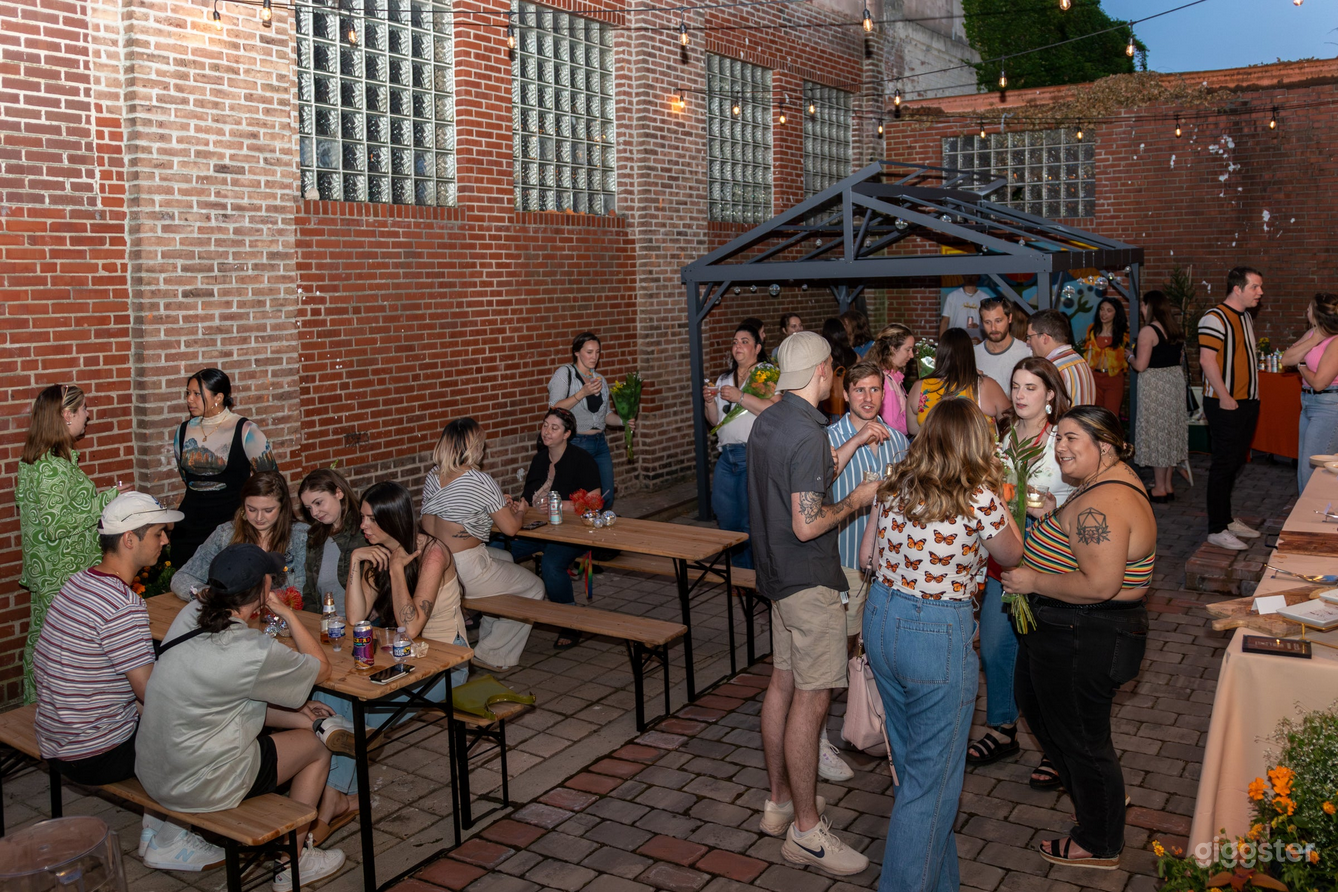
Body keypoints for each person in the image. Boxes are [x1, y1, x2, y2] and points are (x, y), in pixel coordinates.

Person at [857, 399, 1024, 892]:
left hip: (881, 622)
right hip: (935, 634)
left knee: (915, 774)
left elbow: (867, 554)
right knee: (930, 789)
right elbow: (1012, 554)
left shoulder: (895, 482)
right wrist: (1002, 498)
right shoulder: (978, 496)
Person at [33, 492, 226, 872]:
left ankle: (156, 832)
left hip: (54, 736)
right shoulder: (124, 605)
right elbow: (152, 693)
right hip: (92, 752)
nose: (166, 541)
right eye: (158, 534)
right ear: (129, 540)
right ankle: (170, 841)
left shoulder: (78, 584)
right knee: (202, 730)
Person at [139, 543, 347, 890]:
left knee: (300, 724)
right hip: (202, 783)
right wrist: (287, 613)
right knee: (319, 746)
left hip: (153, 767)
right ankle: (292, 864)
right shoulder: (252, 649)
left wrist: (298, 713)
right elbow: (321, 670)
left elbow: (226, 698)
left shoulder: (190, 613)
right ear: (263, 589)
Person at [1001, 406, 1156, 871]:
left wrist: (1032, 582)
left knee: (1081, 738)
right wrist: (1056, 514)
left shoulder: (1101, 502)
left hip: (1085, 632)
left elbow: (1100, 584)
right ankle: (1100, 800)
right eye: (1059, 439)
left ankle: (1100, 840)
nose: (1061, 447)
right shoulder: (1102, 485)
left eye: (1073, 440)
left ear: (1104, 445)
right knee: (1043, 714)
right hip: (1071, 630)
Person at [747, 331, 879, 877]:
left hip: (775, 578)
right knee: (813, 699)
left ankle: (779, 802)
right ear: (823, 372)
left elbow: (803, 476)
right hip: (808, 581)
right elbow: (807, 521)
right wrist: (858, 499)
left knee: (781, 683)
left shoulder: (771, 420)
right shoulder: (805, 431)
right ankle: (806, 832)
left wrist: (849, 448)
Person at [967, 358, 1073, 789]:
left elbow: (1091, 494)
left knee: (1044, 656)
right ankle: (1004, 727)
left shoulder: (1064, 441)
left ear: (1051, 394)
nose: (1022, 395)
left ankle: (1055, 746)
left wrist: (1055, 508)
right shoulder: (1003, 440)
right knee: (994, 647)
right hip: (1005, 555)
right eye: (1016, 386)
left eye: (1032, 387)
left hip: (1051, 552)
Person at [823, 359, 908, 783]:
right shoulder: (830, 438)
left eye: (876, 390)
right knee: (834, 653)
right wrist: (856, 441)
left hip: (886, 565)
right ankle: (818, 737)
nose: (869, 398)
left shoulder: (899, 441)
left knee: (874, 652)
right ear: (846, 393)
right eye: (860, 391)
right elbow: (819, 483)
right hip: (843, 561)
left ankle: (872, 721)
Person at [16, 383, 128, 703]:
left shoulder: (38, 459)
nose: (88, 415)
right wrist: (108, 500)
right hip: (61, 576)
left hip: (50, 574)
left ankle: (39, 709)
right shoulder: (51, 466)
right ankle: (61, 713)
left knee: (43, 644)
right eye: (83, 410)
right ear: (67, 415)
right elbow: (56, 524)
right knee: (63, 655)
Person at [420, 418, 545, 672]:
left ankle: (490, 637)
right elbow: (511, 528)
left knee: (506, 559)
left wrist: (491, 508)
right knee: (535, 587)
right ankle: (492, 653)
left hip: (433, 560)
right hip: (464, 567)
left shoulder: (433, 475)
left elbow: (450, 514)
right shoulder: (479, 481)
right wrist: (520, 511)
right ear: (473, 446)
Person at [509, 408, 602, 647]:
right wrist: (513, 506)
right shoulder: (540, 459)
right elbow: (527, 498)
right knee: (498, 548)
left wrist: (564, 505)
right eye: (545, 425)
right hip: (538, 528)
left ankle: (569, 623)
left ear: (567, 434)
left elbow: (595, 503)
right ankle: (495, 608)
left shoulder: (582, 459)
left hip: (571, 531)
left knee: (551, 564)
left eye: (555, 428)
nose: (547, 432)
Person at [172, 368, 278, 568]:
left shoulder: (246, 430)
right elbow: (186, 477)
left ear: (218, 397)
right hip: (190, 524)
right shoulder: (183, 430)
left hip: (231, 523)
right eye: (188, 393)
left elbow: (271, 480)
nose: (189, 400)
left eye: (196, 394)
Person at [702, 323, 779, 570]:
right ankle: (739, 573)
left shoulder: (766, 373)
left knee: (751, 521)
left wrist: (740, 397)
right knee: (727, 518)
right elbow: (715, 422)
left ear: (757, 347)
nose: (738, 346)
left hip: (754, 455)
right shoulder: (724, 378)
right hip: (727, 456)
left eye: (744, 341)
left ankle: (756, 575)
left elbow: (773, 409)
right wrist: (709, 403)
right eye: (735, 342)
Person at [1198, 266, 1263, 550]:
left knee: (1236, 461)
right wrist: (1224, 395)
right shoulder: (1214, 318)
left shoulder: (1246, 316)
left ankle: (1225, 519)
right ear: (1237, 288)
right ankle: (1216, 529)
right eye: (1255, 287)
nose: (1260, 292)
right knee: (1224, 464)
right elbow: (1206, 360)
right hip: (1225, 402)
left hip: (1247, 401)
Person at [170, 470, 308, 599]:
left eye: (268, 510)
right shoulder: (225, 534)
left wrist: (255, 600)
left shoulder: (301, 536)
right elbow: (182, 577)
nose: (259, 517)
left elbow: (304, 593)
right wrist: (210, 595)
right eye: (251, 509)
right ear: (243, 505)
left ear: (283, 507)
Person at [546, 332, 634, 510]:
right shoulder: (565, 373)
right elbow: (555, 407)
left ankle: (597, 527)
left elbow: (606, 414)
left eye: (598, 352)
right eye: (589, 352)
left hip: (599, 443)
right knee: (579, 497)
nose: (594, 357)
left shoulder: (600, 379)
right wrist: (582, 394)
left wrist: (623, 421)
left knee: (606, 495)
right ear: (577, 352)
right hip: (577, 443)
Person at [1130, 291, 1188, 502]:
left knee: (1156, 434)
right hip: (1173, 383)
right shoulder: (1174, 330)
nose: (1142, 310)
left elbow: (1141, 365)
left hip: (1155, 386)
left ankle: (1160, 489)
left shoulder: (1148, 331)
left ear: (1150, 306)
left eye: (1143, 306)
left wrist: (1129, 357)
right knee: (1170, 434)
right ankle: (1167, 485)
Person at [1281, 292, 1338, 492]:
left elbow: (1320, 382)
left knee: (1314, 471)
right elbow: (1286, 359)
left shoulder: (1337, 342)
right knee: (1305, 466)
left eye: (1309, 308)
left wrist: (1302, 365)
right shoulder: (1314, 334)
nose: (1306, 311)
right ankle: (1306, 517)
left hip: (1329, 406)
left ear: (1318, 314)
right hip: (1308, 404)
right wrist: (1313, 341)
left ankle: (1311, 518)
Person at [906, 327, 1009, 435]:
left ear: (940, 354)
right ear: (969, 354)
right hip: (978, 452)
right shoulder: (986, 385)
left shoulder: (920, 386)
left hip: (934, 451)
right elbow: (1011, 423)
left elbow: (913, 430)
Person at [298, 467, 370, 614]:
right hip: (327, 626)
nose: (314, 513)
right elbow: (310, 591)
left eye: (318, 503)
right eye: (308, 508)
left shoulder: (365, 530)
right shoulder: (315, 536)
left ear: (338, 493)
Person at [1027, 309, 1096, 407]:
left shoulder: (1051, 368)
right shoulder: (1080, 360)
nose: (1028, 342)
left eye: (1030, 337)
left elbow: (1045, 412)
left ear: (1044, 338)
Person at [1081, 297, 1131, 419]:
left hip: (1113, 379)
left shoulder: (1123, 333)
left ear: (1116, 313)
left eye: (1109, 310)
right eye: (1102, 309)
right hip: (1094, 378)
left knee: (1111, 416)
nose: (1104, 313)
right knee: (1095, 416)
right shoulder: (1092, 330)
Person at [974, 297, 1032, 397]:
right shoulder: (973, 354)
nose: (993, 328)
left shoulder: (1027, 353)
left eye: (998, 321)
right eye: (987, 322)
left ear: (1009, 318)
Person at [871, 323, 915, 436]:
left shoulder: (893, 377)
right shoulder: (886, 382)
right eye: (908, 350)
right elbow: (895, 428)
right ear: (893, 349)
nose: (912, 355)